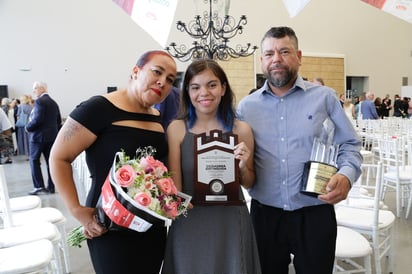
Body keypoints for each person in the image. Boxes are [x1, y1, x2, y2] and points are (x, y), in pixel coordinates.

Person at [237, 26, 362, 274]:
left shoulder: (324, 98)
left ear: (299, 56)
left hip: (315, 213)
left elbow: (350, 143)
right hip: (265, 216)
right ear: (261, 60)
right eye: (269, 53)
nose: (277, 59)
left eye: (285, 51)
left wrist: (346, 175)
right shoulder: (247, 107)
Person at [49, 50, 177, 274]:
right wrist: (77, 210)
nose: (162, 82)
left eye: (170, 80)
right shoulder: (97, 109)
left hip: (149, 228)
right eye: (157, 72)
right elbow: (59, 157)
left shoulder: (156, 117)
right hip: (107, 227)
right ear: (136, 71)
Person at [162, 59, 261, 274]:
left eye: (212, 85)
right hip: (191, 221)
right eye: (195, 87)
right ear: (187, 91)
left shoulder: (241, 129)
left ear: (224, 88)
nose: (204, 93)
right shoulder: (177, 129)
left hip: (230, 222)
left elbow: (250, 182)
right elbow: (175, 189)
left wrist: (243, 165)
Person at [26, 82, 62, 195]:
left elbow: (37, 120)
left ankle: (39, 186)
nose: (34, 91)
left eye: (35, 88)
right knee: (49, 162)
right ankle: (51, 187)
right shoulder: (54, 103)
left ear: (42, 88)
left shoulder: (40, 102)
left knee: (34, 160)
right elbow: (58, 121)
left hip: (38, 137)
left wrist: (28, 127)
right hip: (52, 137)